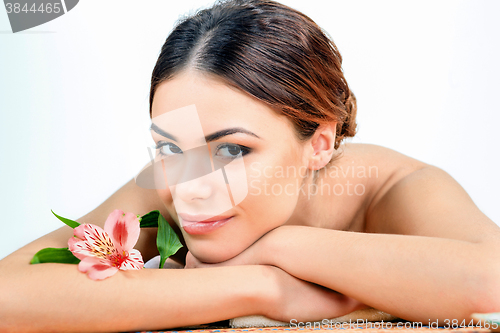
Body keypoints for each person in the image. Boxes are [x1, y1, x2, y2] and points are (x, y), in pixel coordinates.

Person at [1, 0, 499, 332]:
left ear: (320, 143)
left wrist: (284, 245)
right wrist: (262, 286)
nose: (193, 188)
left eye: (232, 151)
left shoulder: (398, 187)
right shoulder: (170, 187)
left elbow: (492, 281)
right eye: (172, 149)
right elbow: (8, 293)